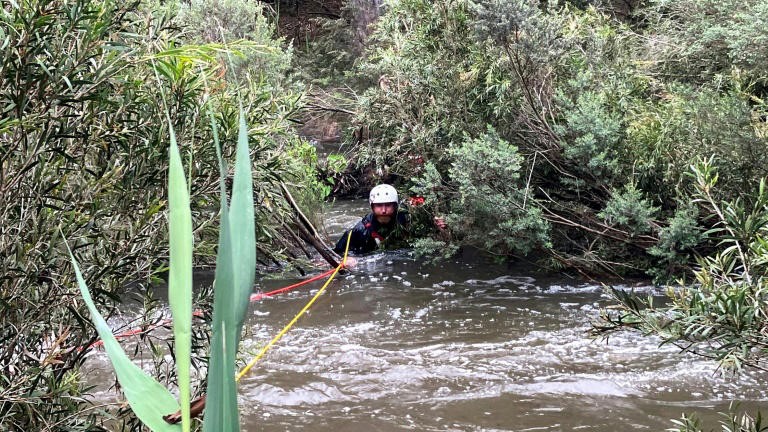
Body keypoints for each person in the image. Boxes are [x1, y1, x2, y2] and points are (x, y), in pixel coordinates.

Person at [333, 184, 411, 256]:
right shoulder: (360, 230)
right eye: (379, 205)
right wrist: (348, 258)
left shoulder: (405, 220)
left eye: (388, 205)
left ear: (395, 206)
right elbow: (337, 253)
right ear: (372, 206)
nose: (383, 210)